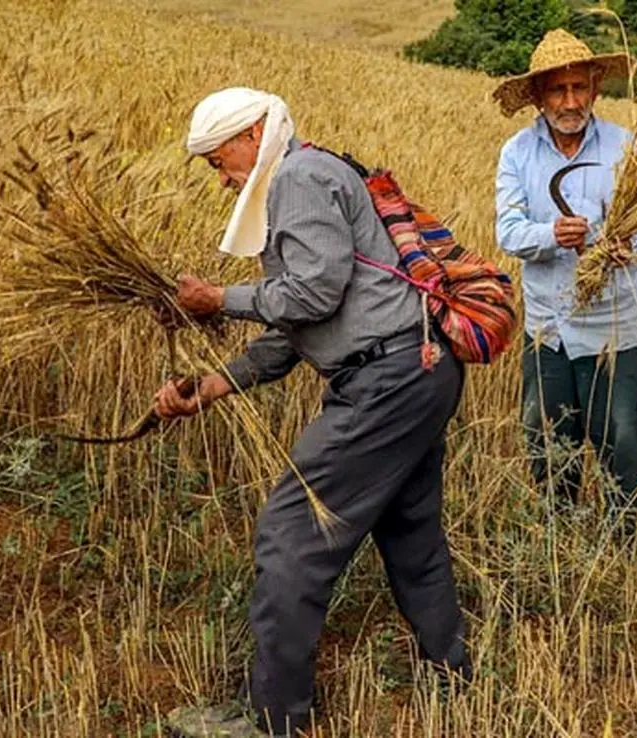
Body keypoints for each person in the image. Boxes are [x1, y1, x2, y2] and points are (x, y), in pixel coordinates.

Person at [155, 87, 472, 737]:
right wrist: (216, 385)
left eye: (221, 161)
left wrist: (220, 298)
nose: (222, 180)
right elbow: (298, 323)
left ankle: (277, 721)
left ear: (253, 135)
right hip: (417, 372)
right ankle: (455, 684)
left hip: (385, 382)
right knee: (410, 535)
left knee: (290, 538)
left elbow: (313, 292)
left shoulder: (297, 176)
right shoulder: (314, 173)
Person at [492, 29, 637, 546]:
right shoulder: (518, 154)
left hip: (618, 325)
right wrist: (551, 234)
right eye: (557, 91)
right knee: (548, 441)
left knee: (629, 443)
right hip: (550, 327)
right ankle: (561, 545)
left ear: (595, 89)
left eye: (579, 89)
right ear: (539, 95)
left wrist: (627, 243)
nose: (570, 103)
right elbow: (508, 231)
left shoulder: (626, 148)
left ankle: (636, 555)